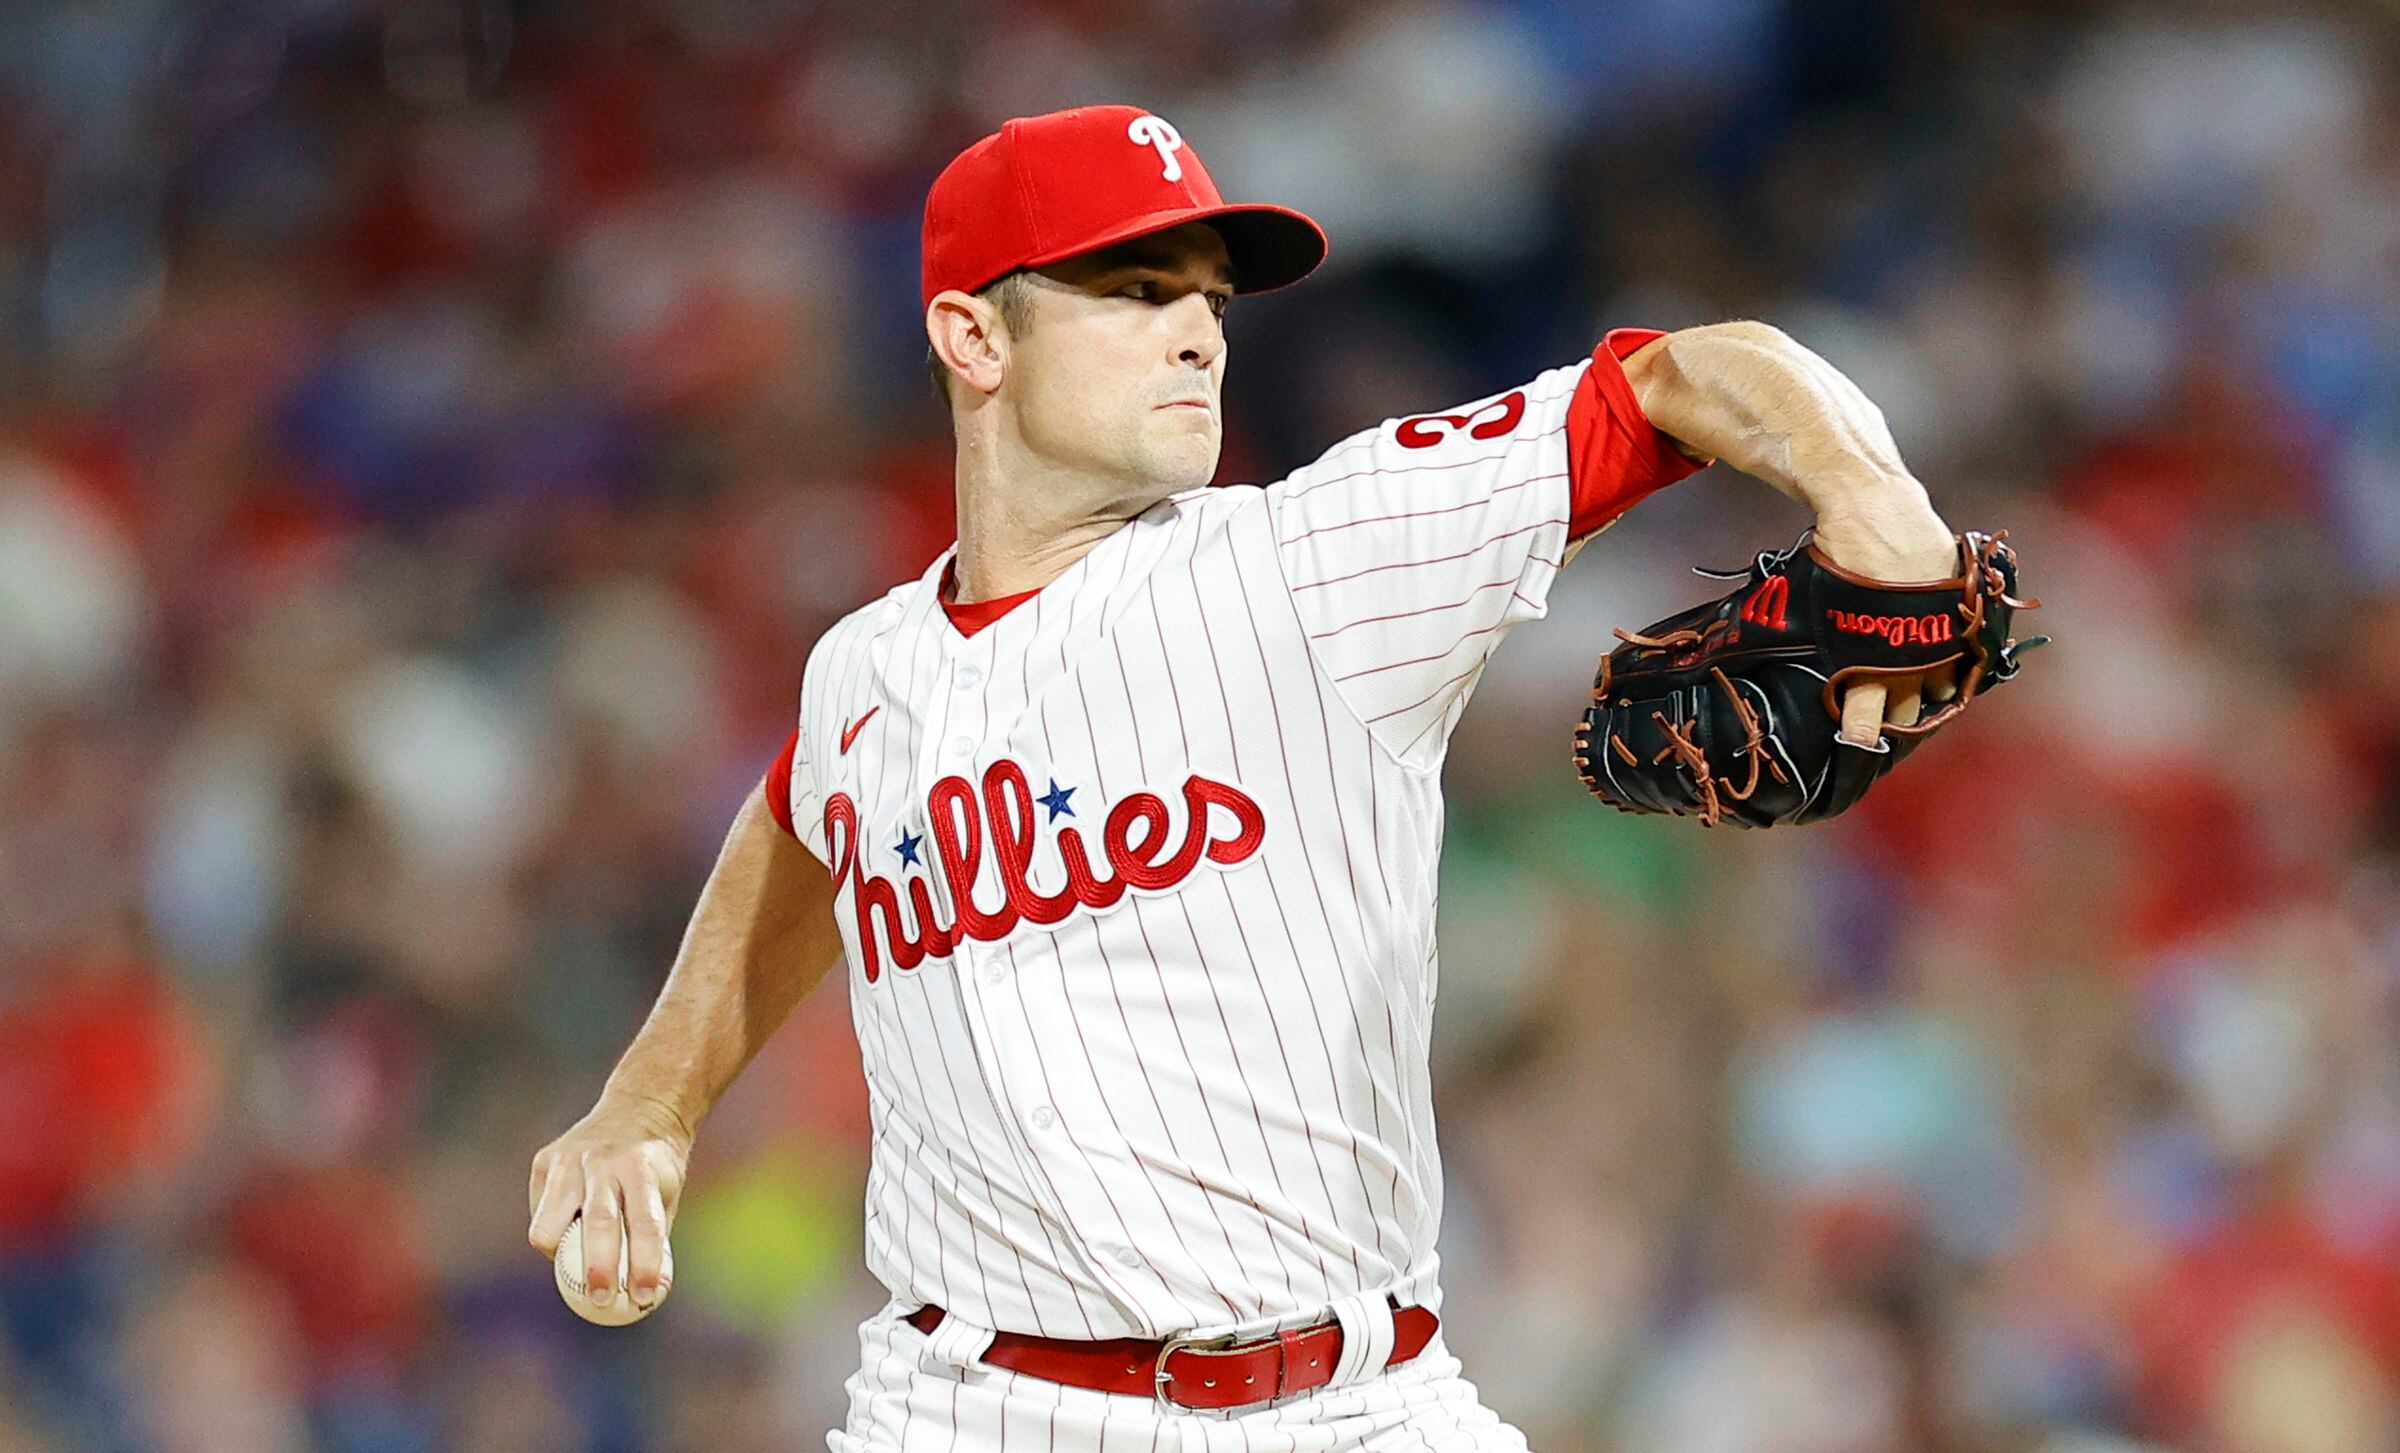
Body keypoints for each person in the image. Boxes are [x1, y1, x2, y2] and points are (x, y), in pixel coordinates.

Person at [527, 104, 1962, 1450]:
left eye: (1210, 299)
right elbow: (806, 825)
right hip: (969, 1405)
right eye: (1136, 291)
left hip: (1352, 1401)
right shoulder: (863, 669)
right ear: (973, 335)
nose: (1198, 334)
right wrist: (651, 1100)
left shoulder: (1314, 557)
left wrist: (1874, 493)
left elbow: (1684, 375)